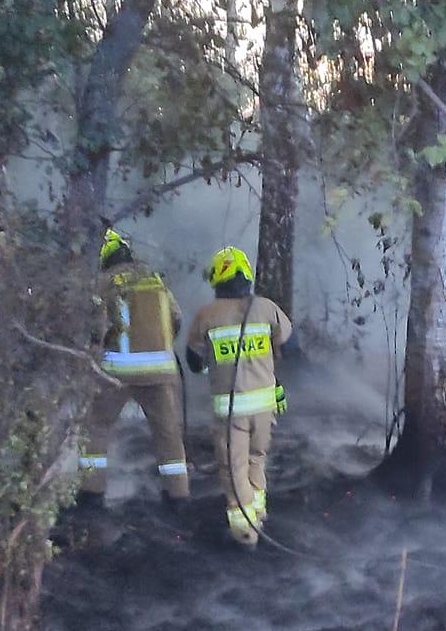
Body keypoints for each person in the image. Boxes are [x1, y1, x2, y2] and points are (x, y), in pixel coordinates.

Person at [185, 246, 296, 547]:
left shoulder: (206, 315)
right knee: (257, 458)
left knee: (234, 470)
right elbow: (292, 346)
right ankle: (258, 513)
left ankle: (245, 533)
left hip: (231, 410)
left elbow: (194, 363)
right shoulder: (267, 308)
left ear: (217, 279)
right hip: (264, 405)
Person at [76, 229, 190, 511]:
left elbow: (95, 326)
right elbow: (175, 319)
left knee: (96, 427)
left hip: (117, 371)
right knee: (168, 433)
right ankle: (178, 497)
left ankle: (91, 495)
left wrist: (94, 347)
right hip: (161, 371)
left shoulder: (103, 283)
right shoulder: (156, 281)